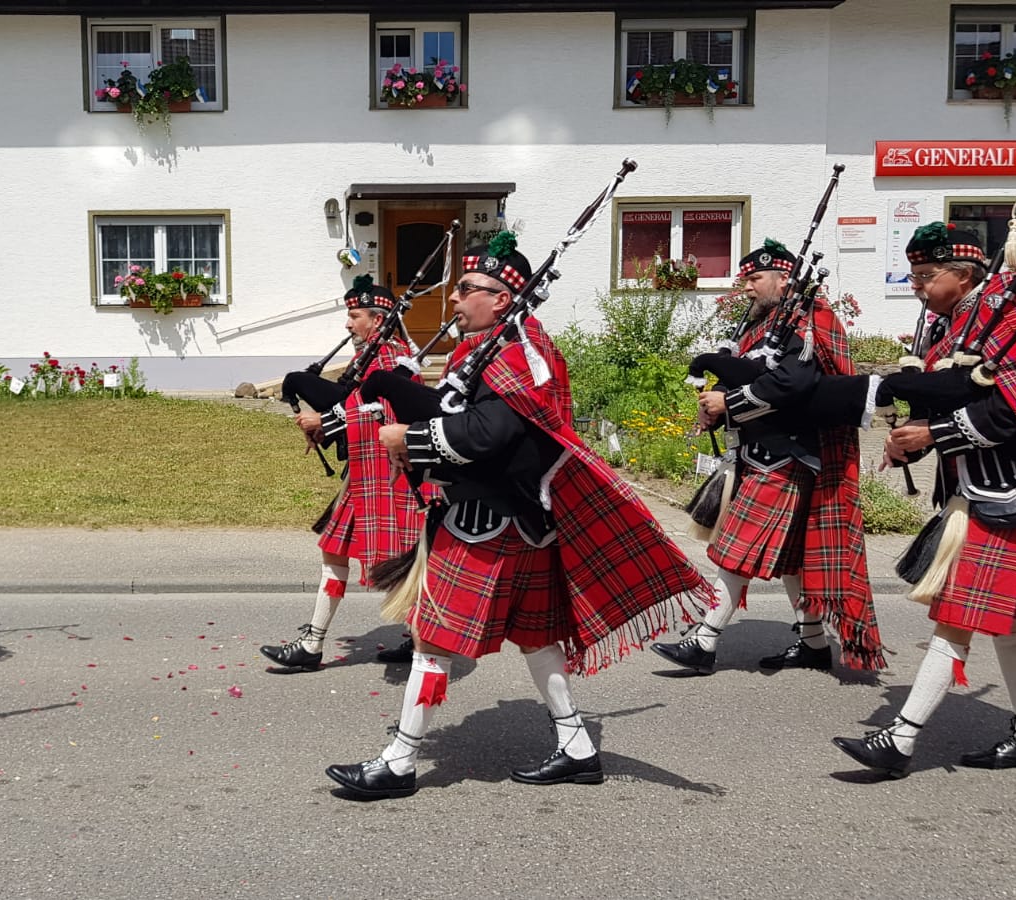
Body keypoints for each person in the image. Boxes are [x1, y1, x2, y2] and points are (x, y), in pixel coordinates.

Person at [324, 233, 716, 798]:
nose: (454, 299)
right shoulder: (487, 347)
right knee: (537, 640)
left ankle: (399, 762)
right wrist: (400, 392)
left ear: (502, 297)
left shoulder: (520, 352)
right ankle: (577, 746)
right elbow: (461, 412)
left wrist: (409, 437)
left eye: (465, 289)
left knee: (432, 640)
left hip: (492, 521)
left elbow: (493, 433)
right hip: (507, 518)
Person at [834, 222, 1016, 777]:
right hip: (976, 489)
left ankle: (901, 740)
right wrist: (913, 441)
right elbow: (950, 397)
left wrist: (935, 436)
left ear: (963, 276)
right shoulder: (955, 324)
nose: (916, 285)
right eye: (913, 274)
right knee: (1007, 624)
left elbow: (1014, 412)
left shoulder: (1009, 320)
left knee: (955, 616)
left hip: (1007, 489)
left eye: (925, 275)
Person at [653, 241, 884, 675]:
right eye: (745, 279)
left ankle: (704, 641)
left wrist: (732, 404)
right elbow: (753, 374)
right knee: (791, 561)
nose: (748, 288)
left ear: (784, 279)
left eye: (755, 279)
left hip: (791, 454)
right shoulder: (764, 322)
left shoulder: (812, 319)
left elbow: (793, 385)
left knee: (733, 548)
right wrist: (717, 403)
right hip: (760, 452)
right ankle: (813, 644)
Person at [260, 275, 423, 671]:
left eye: (354, 316)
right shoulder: (369, 357)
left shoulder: (390, 361)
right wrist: (324, 427)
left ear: (379, 319)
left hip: (389, 478)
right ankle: (312, 644)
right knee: (334, 550)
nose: (347, 324)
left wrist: (325, 422)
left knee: (405, 563)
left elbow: (377, 416)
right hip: (364, 476)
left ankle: (425, 642)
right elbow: (355, 406)